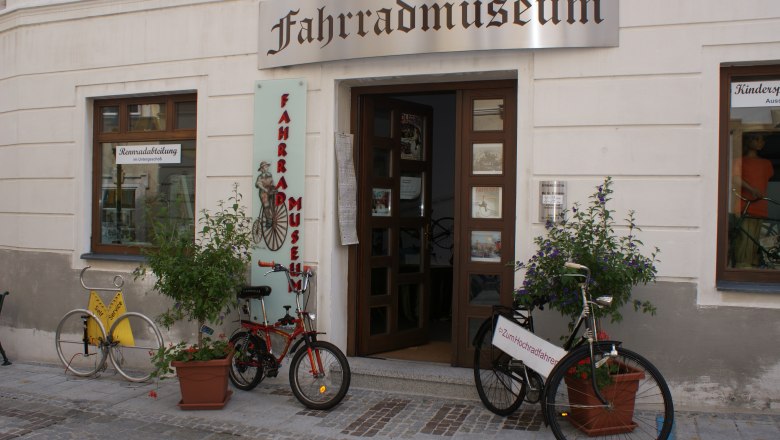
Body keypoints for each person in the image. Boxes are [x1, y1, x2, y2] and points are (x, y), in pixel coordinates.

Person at [732, 133, 774, 268]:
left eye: (762, 139)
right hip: (745, 205)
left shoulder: (766, 163)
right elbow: (735, 178)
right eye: (757, 138)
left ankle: (750, 263)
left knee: (754, 238)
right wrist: (751, 189)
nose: (760, 142)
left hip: (760, 205)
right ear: (748, 141)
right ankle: (742, 265)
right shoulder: (739, 161)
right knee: (744, 239)